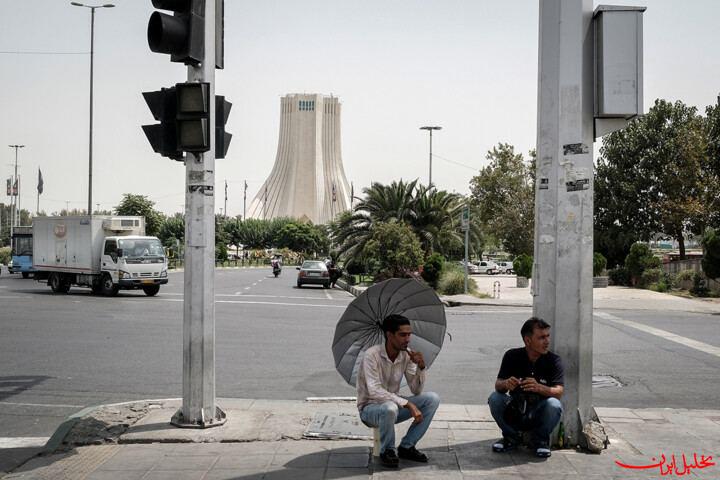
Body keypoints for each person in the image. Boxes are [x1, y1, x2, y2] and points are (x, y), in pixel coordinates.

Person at [357, 314, 441, 468]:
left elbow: (416, 390)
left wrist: (421, 367)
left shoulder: (406, 355)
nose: (407, 339)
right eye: (402, 335)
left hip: (394, 407)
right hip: (370, 409)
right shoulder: (371, 355)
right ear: (389, 335)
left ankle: (407, 447)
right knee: (389, 408)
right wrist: (408, 403)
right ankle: (387, 450)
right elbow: (374, 391)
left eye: (409, 334)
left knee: (432, 399)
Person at [488, 317, 564, 458]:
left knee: (554, 404)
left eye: (548, 336)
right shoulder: (512, 356)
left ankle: (540, 441)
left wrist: (539, 388)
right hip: (516, 409)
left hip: (539, 411)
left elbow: (559, 391)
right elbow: (498, 385)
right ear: (528, 341)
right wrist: (506, 384)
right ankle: (511, 438)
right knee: (495, 398)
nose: (547, 341)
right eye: (541, 338)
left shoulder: (553, 361)